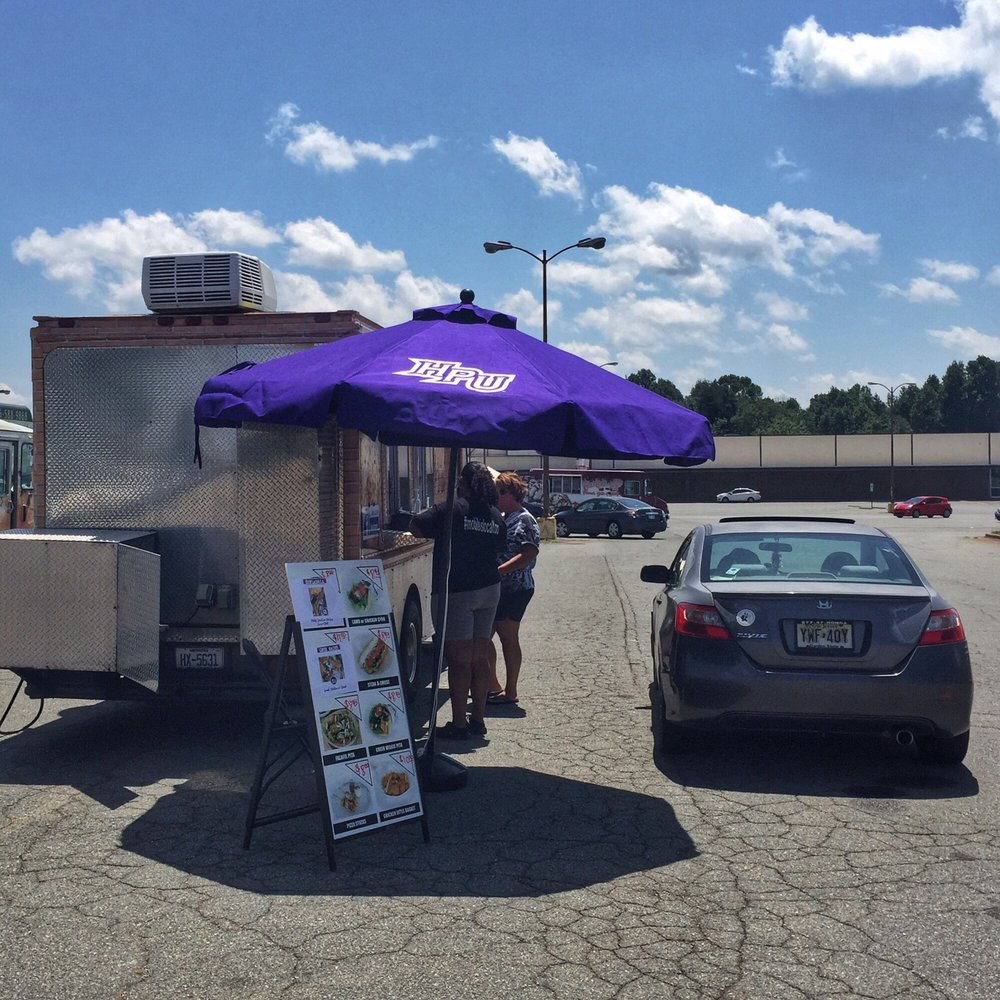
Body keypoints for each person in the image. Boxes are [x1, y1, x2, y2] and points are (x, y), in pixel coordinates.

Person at [410, 462, 506, 740]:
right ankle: (477, 719)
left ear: (462, 482)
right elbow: (499, 546)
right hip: (489, 589)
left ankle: (458, 725)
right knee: (479, 656)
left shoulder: (452, 508)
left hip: (457, 592)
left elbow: (417, 526)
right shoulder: (495, 516)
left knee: (459, 660)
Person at [486, 472, 541, 707]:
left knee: (508, 638)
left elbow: (528, 553)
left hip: (516, 587)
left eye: (499, 493)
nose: (496, 498)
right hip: (500, 587)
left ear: (511, 494)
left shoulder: (524, 519)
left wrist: (500, 570)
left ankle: (511, 691)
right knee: (483, 636)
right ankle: (493, 685)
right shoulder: (505, 517)